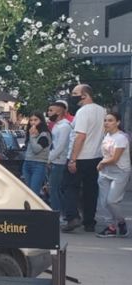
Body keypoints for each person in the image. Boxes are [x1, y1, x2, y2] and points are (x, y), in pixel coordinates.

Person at [61, 84, 106, 233]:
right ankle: (89, 222)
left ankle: (72, 217)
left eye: (75, 93)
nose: (72, 96)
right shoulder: (102, 111)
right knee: (91, 190)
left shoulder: (83, 112)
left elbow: (80, 136)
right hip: (96, 156)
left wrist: (73, 159)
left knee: (69, 187)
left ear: (85, 95)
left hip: (80, 156)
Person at [95, 111, 130, 238]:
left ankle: (121, 222)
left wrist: (101, 163)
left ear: (118, 122)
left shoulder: (121, 138)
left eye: (110, 120)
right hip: (105, 173)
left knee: (112, 201)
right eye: (105, 120)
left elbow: (115, 158)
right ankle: (111, 227)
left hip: (120, 172)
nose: (106, 123)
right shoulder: (106, 136)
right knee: (103, 202)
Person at [46, 100, 72, 216]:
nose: (48, 113)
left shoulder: (65, 127)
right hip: (55, 161)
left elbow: (60, 147)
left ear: (59, 112)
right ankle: (64, 213)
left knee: (54, 189)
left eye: (51, 111)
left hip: (60, 162)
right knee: (56, 189)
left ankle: (57, 214)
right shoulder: (57, 125)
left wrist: (48, 159)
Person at [20, 112, 50, 198]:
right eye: (31, 120)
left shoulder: (45, 134)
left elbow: (37, 149)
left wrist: (32, 137)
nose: (33, 122)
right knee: (28, 191)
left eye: (36, 120)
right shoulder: (30, 133)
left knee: (34, 192)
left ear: (41, 121)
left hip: (39, 164)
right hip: (27, 163)